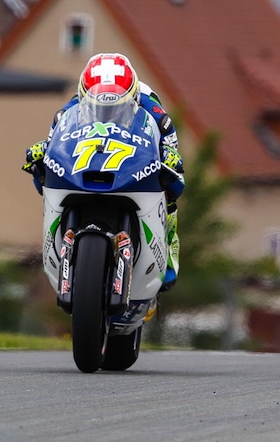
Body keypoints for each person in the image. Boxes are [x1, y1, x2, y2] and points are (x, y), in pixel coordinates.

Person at [22, 53, 184, 292]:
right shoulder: (68, 111)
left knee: (170, 197)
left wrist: (169, 157)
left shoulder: (155, 112)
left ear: (132, 96)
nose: (107, 113)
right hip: (89, 162)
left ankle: (168, 259)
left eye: (116, 107)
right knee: (42, 174)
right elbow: (54, 143)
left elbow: (170, 149)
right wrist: (41, 152)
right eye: (99, 107)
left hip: (130, 163)